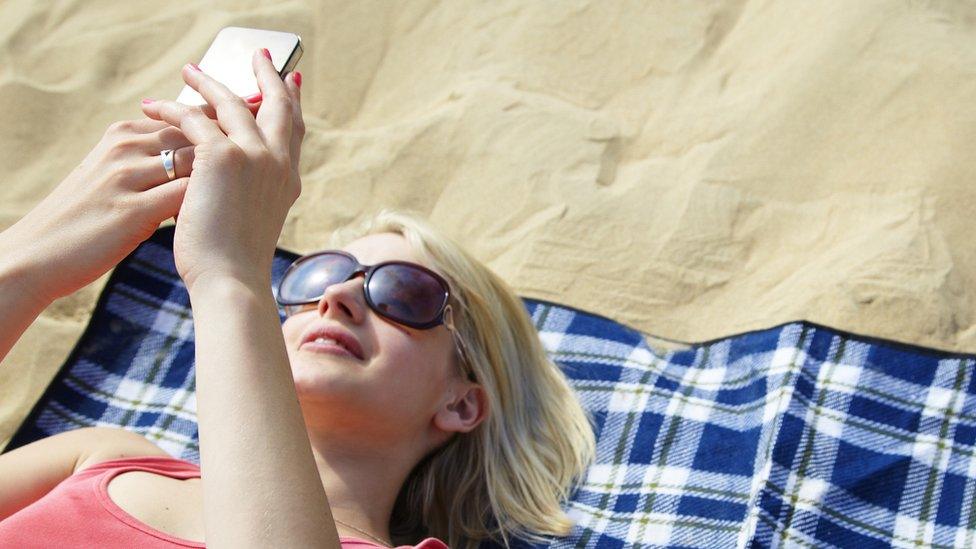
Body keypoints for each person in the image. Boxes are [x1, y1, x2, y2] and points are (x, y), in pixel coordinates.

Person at [0, 49, 595, 548]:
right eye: (316, 276)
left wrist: (231, 278)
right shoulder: (104, 454)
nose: (337, 296)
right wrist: (25, 265)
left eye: (403, 293)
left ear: (461, 403)